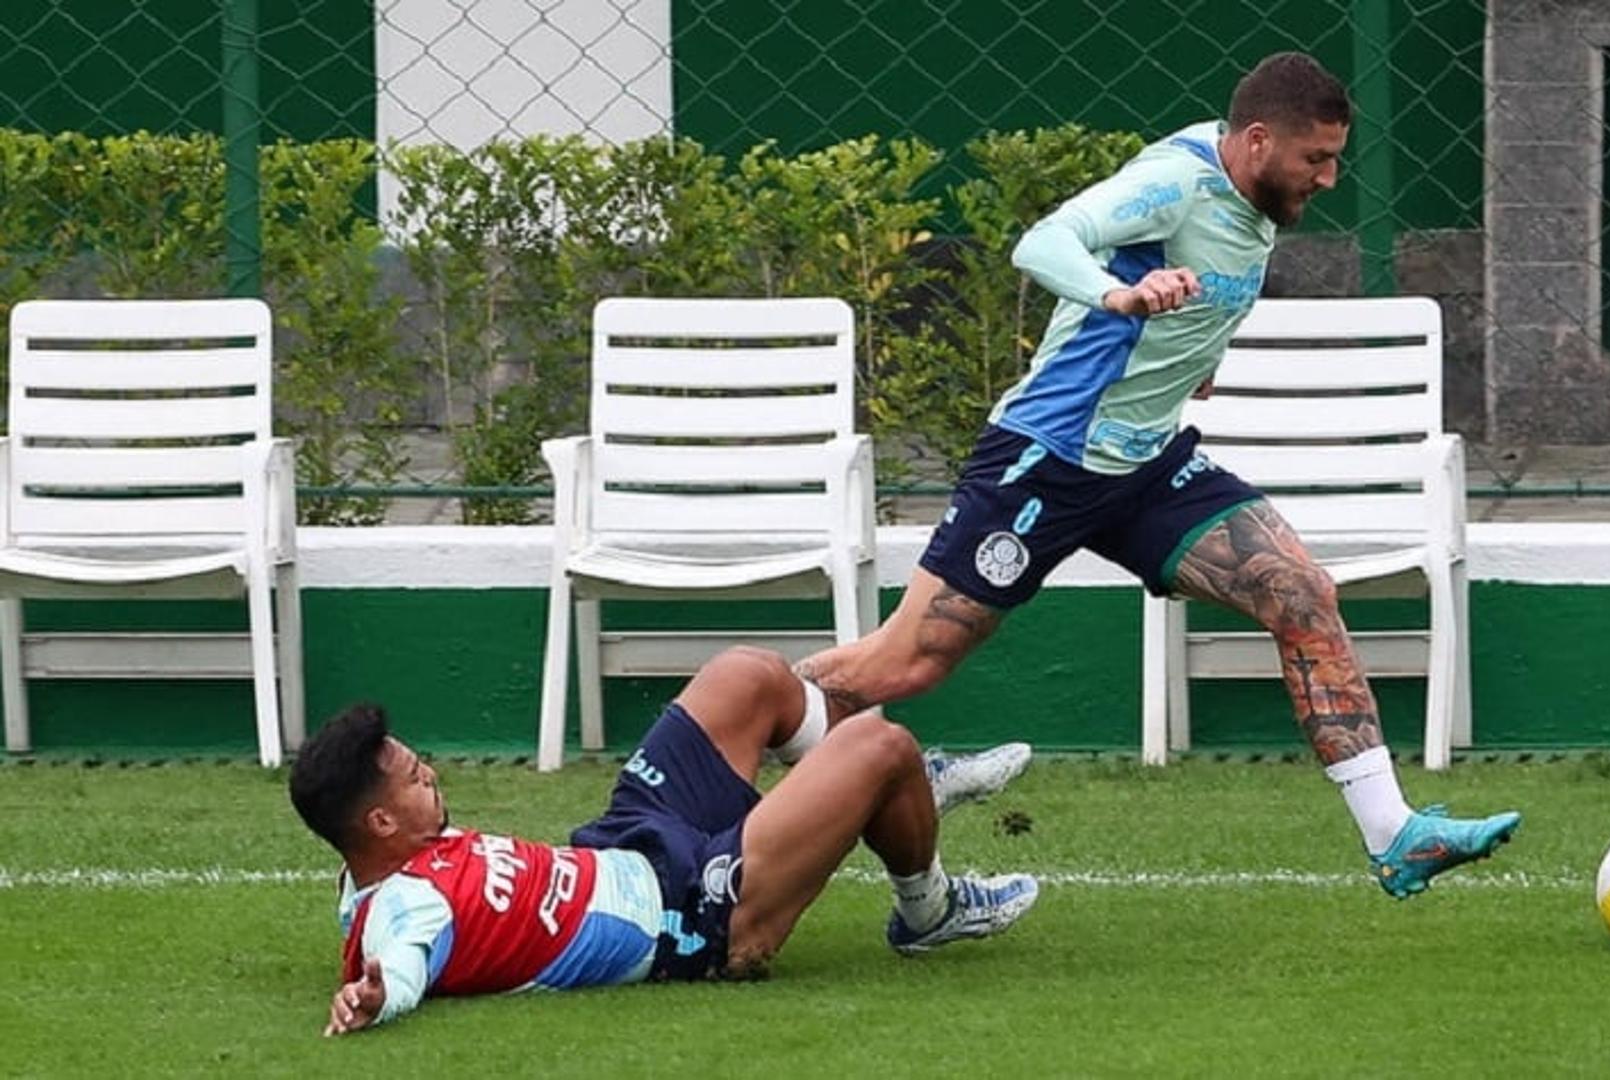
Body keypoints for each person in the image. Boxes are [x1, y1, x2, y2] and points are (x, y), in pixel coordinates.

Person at [793, 51, 1519, 899]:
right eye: (1314, 159)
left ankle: (1397, 835)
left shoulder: (1251, 196)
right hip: (1050, 456)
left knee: (1300, 590)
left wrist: (1190, 360)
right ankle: (716, 728)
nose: (1328, 178)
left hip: (1145, 463)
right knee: (902, 667)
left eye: (1334, 158)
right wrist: (1117, 298)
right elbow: (1044, 241)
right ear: (1255, 140)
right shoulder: (1175, 182)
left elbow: (1200, 300)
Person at [288, 647, 1040, 1036]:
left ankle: (901, 803)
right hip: (692, 919)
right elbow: (404, 961)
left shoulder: (394, 856)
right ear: (379, 824)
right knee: (877, 744)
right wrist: (378, 996)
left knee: (747, 678)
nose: (432, 777)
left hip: (629, 843)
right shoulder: (409, 907)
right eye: (415, 778)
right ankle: (928, 904)